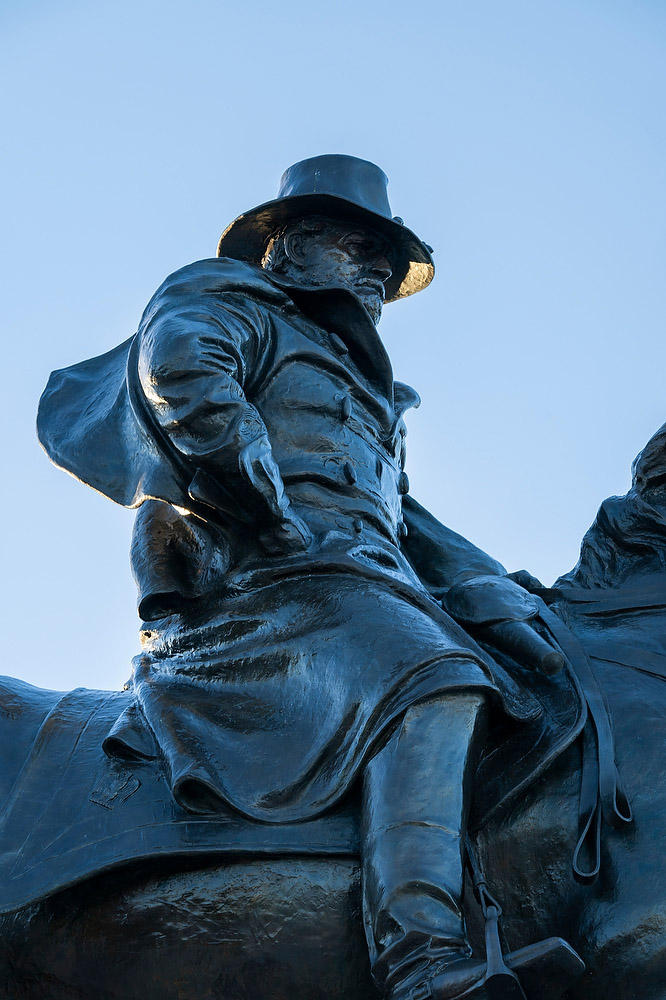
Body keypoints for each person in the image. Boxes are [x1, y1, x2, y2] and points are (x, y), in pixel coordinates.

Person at [36, 154, 581, 1000]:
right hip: (261, 584)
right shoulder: (227, 297)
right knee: (436, 681)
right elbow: (182, 366)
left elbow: (412, 524)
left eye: (388, 263)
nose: (376, 270)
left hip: (358, 580)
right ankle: (422, 958)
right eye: (359, 246)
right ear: (290, 246)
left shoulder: (371, 395)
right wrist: (243, 463)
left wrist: (504, 597)